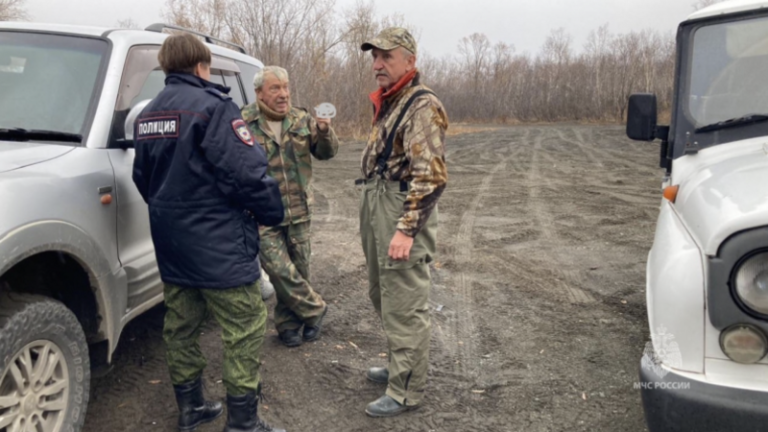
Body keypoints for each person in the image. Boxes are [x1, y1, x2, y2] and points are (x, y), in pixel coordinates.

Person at [131, 33, 287, 432]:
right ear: (203, 66)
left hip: (172, 243)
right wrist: (272, 211)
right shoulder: (214, 107)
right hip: (219, 244)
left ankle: (192, 408)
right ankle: (243, 422)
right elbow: (247, 171)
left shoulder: (148, 115)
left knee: (180, 326)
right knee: (246, 324)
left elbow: (142, 178)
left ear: (166, 68)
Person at [357, 27, 449, 417]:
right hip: (378, 201)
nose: (377, 64)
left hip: (399, 207)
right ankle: (400, 366)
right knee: (384, 294)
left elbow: (430, 175)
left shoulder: (421, 104)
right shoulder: (394, 100)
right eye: (374, 57)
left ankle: (405, 390)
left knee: (406, 301)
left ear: (410, 61)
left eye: (386, 57)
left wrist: (406, 229)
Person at [241, 66, 339, 348]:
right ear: (259, 92)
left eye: (285, 88)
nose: (283, 94)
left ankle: (289, 325)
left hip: (299, 210)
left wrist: (324, 131)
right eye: (275, 88)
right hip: (263, 213)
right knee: (278, 270)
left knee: (299, 269)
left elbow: (326, 153)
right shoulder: (244, 122)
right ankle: (315, 309)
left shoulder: (301, 118)